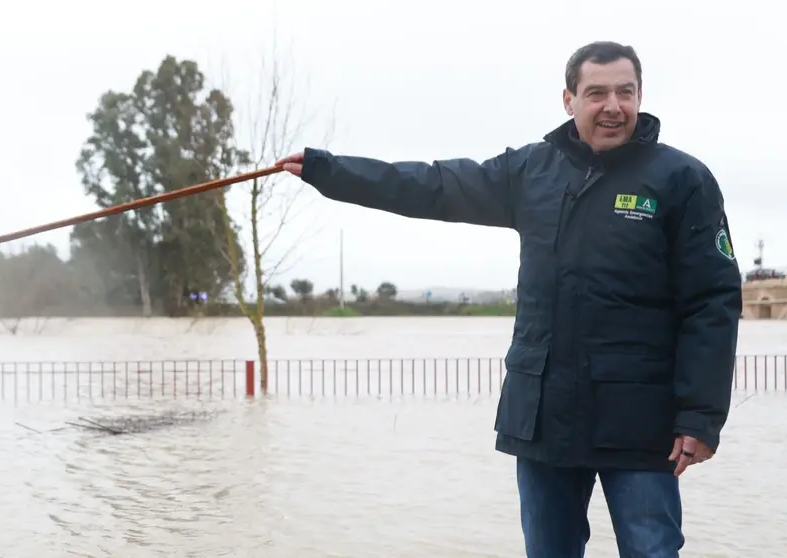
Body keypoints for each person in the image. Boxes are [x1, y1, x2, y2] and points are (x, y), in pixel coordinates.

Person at [277, 41, 742, 558]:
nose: (613, 106)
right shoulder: (530, 172)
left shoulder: (681, 179)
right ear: (569, 99)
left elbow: (713, 303)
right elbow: (433, 185)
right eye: (597, 93)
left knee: (652, 552)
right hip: (541, 413)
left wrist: (700, 417)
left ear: (639, 95)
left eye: (624, 92)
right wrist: (329, 170)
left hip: (638, 419)